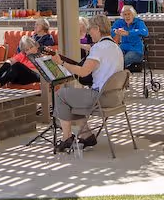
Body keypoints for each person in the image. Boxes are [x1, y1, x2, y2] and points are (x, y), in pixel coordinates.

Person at [52, 14, 124, 151]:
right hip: (116, 97)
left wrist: (61, 62)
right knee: (72, 99)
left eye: (90, 29)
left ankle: (66, 137)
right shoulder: (116, 47)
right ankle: (86, 135)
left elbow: (84, 72)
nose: (89, 33)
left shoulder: (99, 48)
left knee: (61, 95)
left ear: (97, 28)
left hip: (101, 98)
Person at [112, 5, 149, 71]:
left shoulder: (139, 22)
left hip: (136, 50)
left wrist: (129, 33)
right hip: (123, 48)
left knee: (123, 61)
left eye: (129, 14)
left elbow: (145, 32)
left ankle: (118, 75)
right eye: (125, 14)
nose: (127, 16)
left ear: (133, 14)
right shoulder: (120, 22)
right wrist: (116, 31)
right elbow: (111, 30)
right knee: (112, 57)